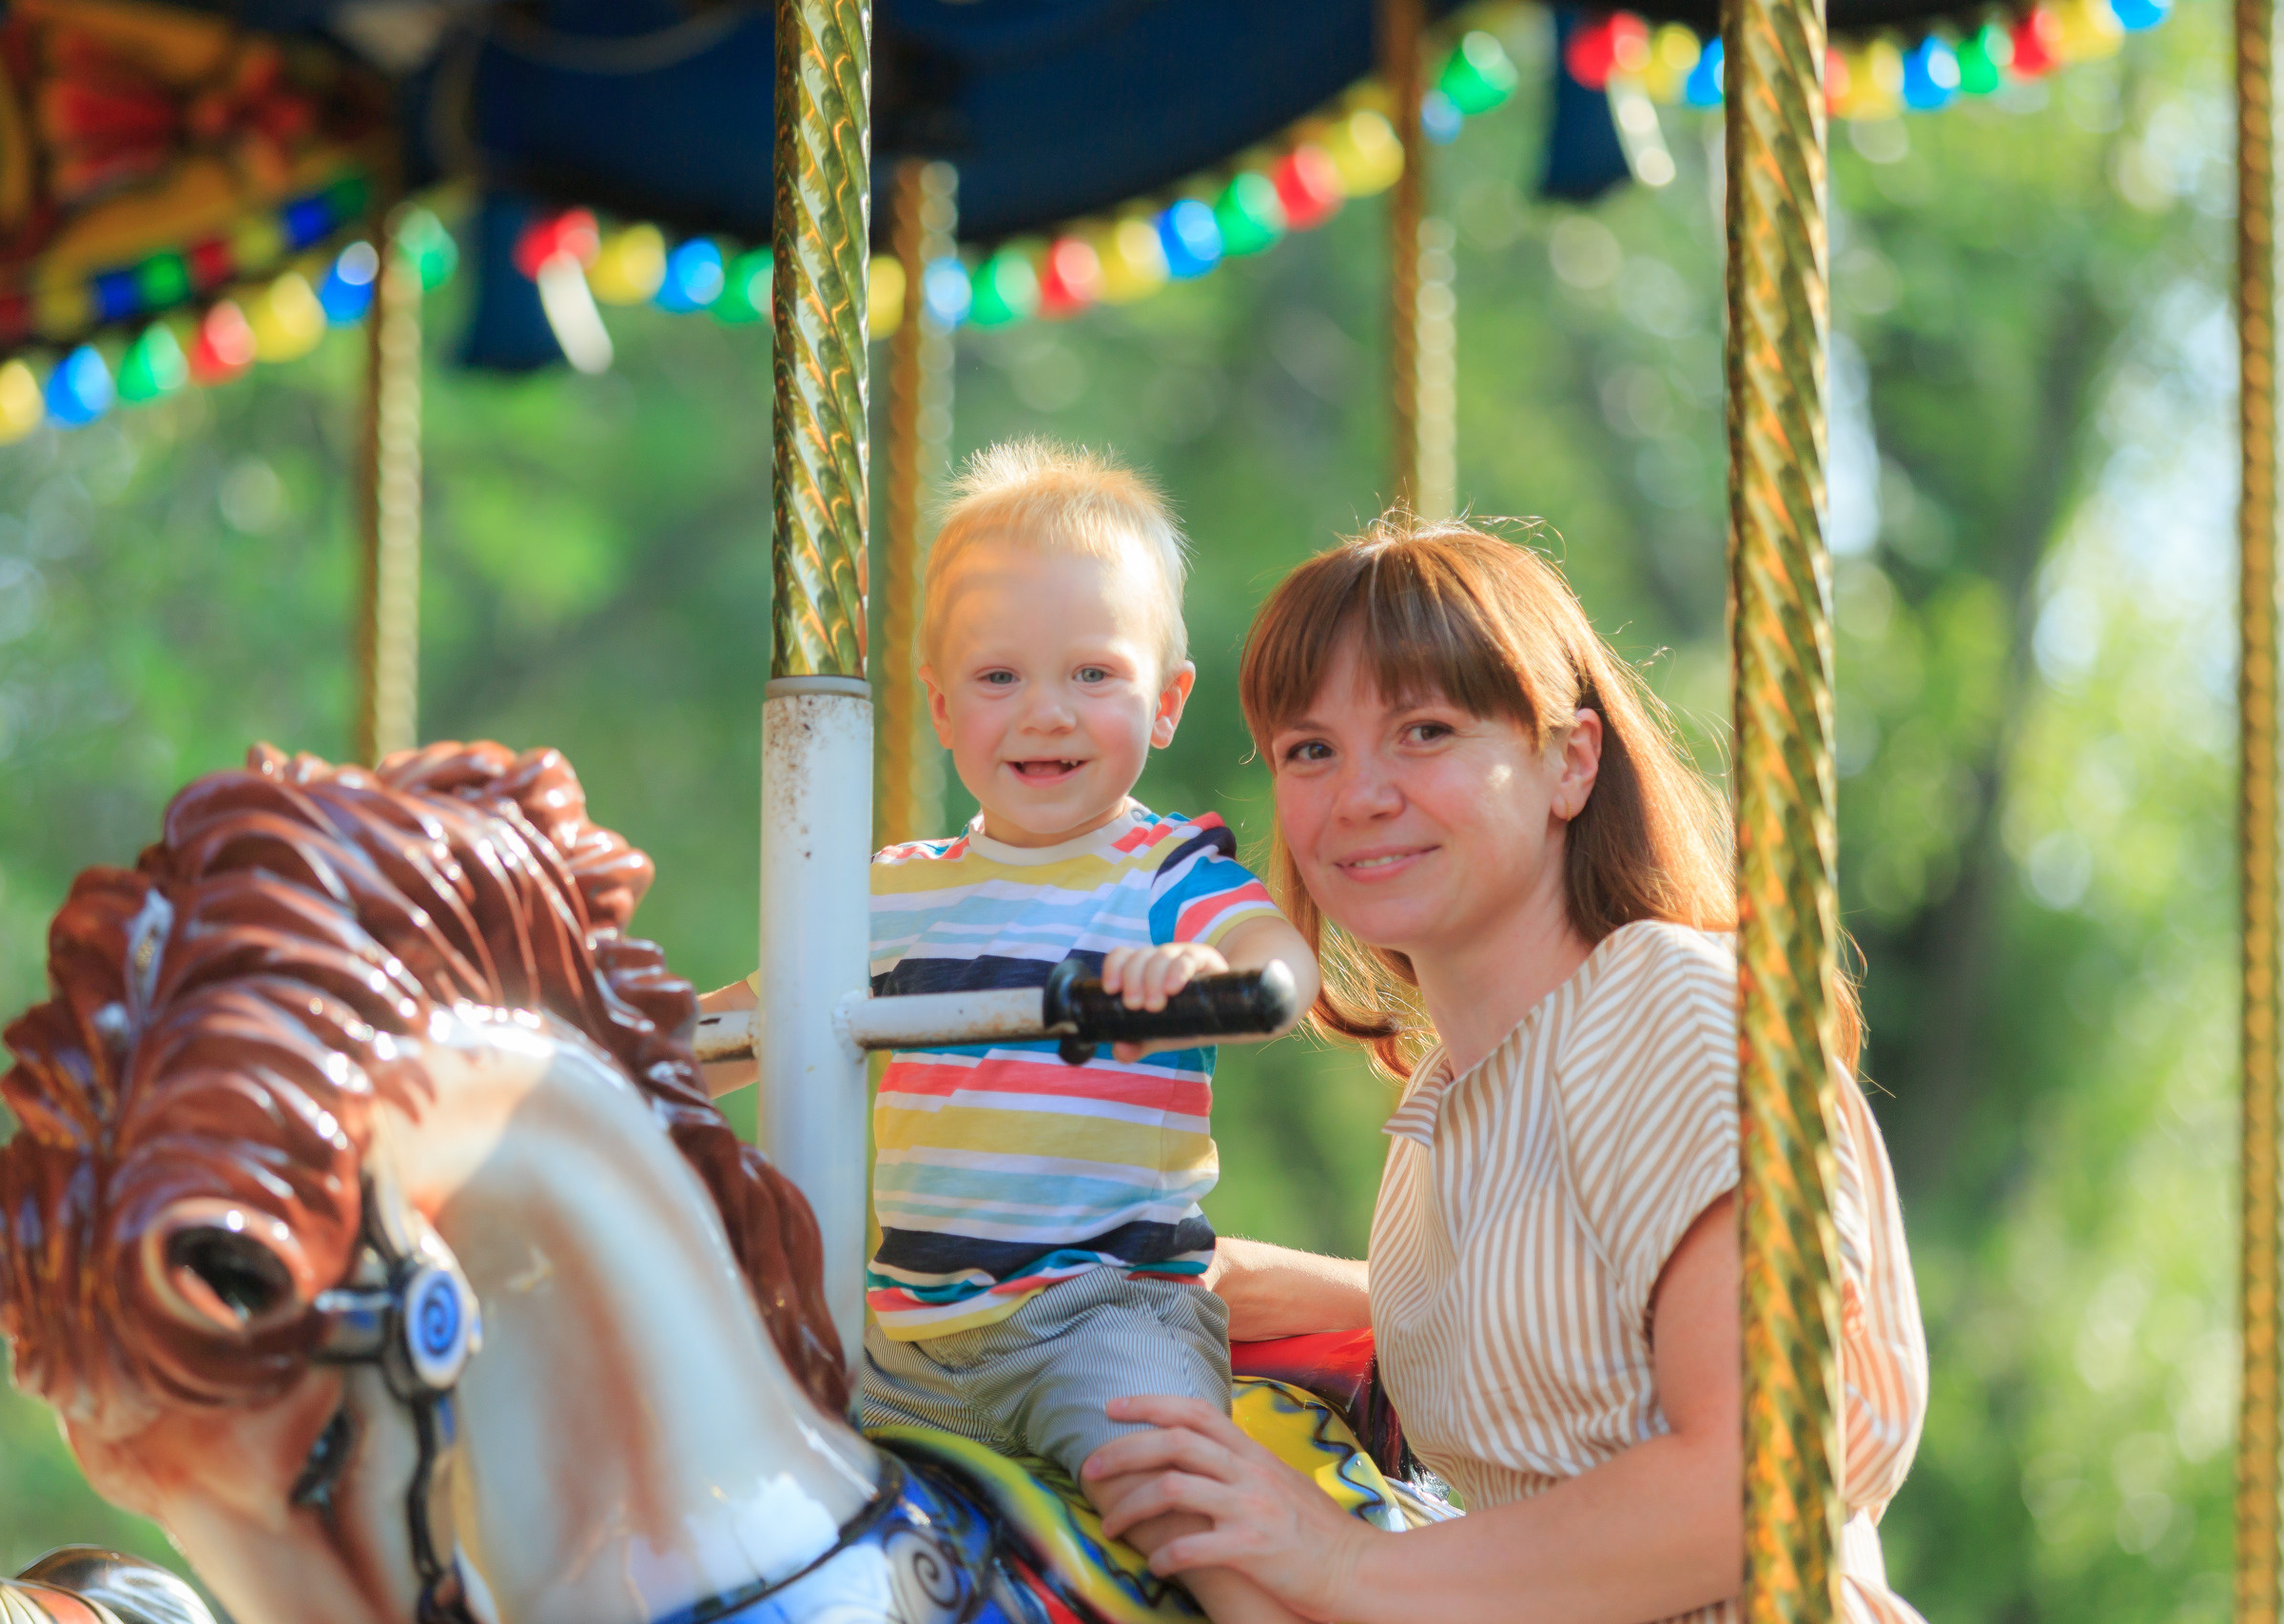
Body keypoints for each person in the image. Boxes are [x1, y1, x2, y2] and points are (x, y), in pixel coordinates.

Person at [1080, 519, 1929, 1624]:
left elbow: (1762, 1470)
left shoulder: (1662, 1004)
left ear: (1568, 762)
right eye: (1310, 750)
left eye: (1424, 731)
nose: (1360, 794)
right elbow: (1576, 1324)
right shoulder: (1448, 1109)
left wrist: (1343, 1565)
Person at [702, 440, 1320, 1624]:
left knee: (1192, 1509)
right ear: (939, 706)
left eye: (1093, 674)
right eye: (999, 679)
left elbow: (1274, 958)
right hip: (898, 1333)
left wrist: (1205, 975)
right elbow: (749, 1022)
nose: (1045, 713)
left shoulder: (1162, 876)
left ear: (1168, 700)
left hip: (1100, 1314)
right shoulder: (886, 893)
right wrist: (606, 1055)